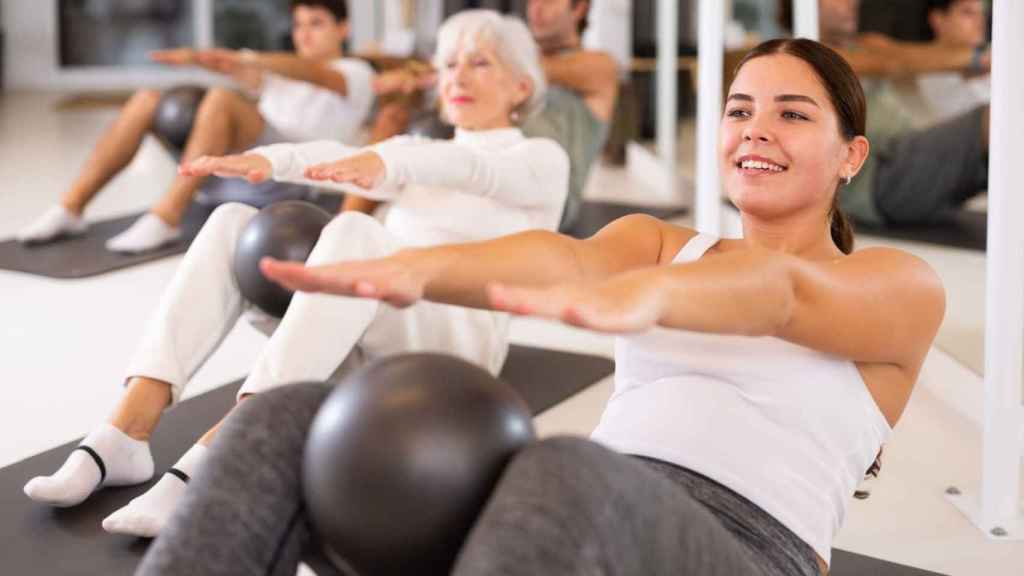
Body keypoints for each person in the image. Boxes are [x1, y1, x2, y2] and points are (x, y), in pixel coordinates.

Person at [136, 38, 944, 576]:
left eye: (791, 114)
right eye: (739, 110)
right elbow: (567, 258)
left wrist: (651, 295)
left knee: (566, 468)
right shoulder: (663, 242)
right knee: (286, 420)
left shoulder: (898, 285)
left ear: (851, 156)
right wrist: (408, 270)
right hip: (567, 520)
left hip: (745, 548)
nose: (755, 131)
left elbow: (783, 295)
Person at [23, 10, 567, 539]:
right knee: (233, 219)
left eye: (479, 63)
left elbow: (473, 169)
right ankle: (126, 431)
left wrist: (388, 163)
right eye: (448, 64)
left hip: (456, 343)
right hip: (365, 329)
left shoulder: (540, 158)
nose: (457, 77)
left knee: (357, 232)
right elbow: (344, 155)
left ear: (521, 87)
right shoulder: (416, 152)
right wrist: (272, 161)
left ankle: (229, 451)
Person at [16, 0, 377, 253]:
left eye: (316, 23)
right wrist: (198, 57)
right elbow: (237, 68)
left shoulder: (354, 73)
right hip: (225, 173)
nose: (304, 34)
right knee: (147, 99)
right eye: (298, 25)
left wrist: (246, 58)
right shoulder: (277, 75)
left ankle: (166, 217)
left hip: (283, 179)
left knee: (222, 98)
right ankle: (70, 209)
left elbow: (314, 73)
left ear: (343, 28)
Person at [372, 0, 619, 230]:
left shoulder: (599, 65)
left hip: (542, 191)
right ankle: (352, 215)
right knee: (394, 117)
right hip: (482, 163)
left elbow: (535, 67)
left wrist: (440, 65)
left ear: (579, 8)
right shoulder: (506, 60)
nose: (536, 7)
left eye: (549, 0)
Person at [805, 0, 991, 226]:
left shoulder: (864, 44)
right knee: (996, 119)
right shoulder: (803, 59)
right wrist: (980, 58)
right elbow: (891, 62)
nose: (853, 3)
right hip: (877, 179)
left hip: (905, 159)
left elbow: (895, 53)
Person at [916, 0, 990, 122]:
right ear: (938, 19)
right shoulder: (929, 70)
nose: (980, 21)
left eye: (982, 13)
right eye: (968, 12)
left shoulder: (989, 57)